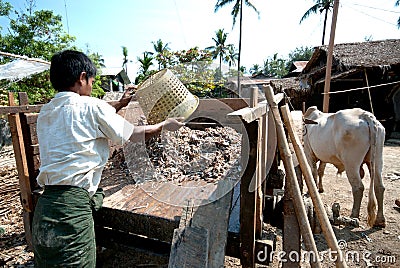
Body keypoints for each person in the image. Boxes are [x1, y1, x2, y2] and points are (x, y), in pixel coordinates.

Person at [31, 50, 184, 267]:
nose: (91, 86)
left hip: (46, 207)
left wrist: (120, 104)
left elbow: (90, 117)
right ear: (82, 77)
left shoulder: (46, 111)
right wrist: (163, 125)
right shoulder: (92, 106)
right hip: (71, 214)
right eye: (91, 81)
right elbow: (134, 134)